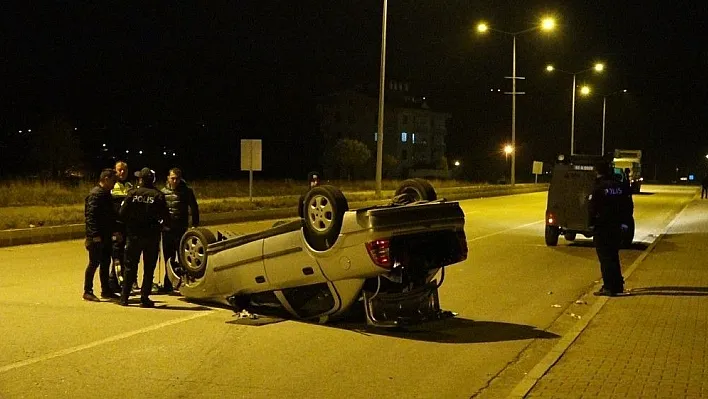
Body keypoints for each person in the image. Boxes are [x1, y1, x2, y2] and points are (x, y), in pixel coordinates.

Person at [118, 167, 170, 307]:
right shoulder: (158, 195)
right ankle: (144, 298)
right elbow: (166, 217)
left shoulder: (132, 193)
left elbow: (122, 214)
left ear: (140, 179)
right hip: (151, 237)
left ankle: (124, 298)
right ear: (152, 180)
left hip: (133, 236)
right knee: (148, 268)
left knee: (129, 267)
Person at [588, 161, 633, 297]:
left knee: (605, 258)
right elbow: (628, 205)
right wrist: (625, 224)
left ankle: (609, 287)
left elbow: (592, 208)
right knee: (614, 256)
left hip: (603, 227)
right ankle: (618, 284)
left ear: (597, 172)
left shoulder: (598, 188)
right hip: (617, 226)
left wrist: (591, 224)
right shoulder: (620, 186)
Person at [159, 167, 200, 293]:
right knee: (168, 257)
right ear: (168, 178)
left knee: (182, 258)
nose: (175, 181)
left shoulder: (186, 191)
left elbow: (194, 208)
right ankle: (168, 283)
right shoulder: (163, 192)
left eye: (177, 178)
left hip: (181, 229)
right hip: (167, 230)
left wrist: (194, 225)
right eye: (172, 178)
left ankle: (185, 283)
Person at [83, 168, 121, 301]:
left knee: (105, 263)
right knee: (94, 263)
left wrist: (115, 230)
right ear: (106, 179)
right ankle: (87, 291)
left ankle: (106, 290)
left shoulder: (106, 194)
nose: (114, 184)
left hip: (106, 235)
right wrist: (94, 235)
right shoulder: (96, 194)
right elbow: (90, 216)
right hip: (97, 237)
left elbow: (110, 216)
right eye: (113, 180)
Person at [109, 160, 133, 292]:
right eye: (119, 170)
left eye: (124, 170)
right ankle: (113, 282)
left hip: (127, 226)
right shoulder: (112, 187)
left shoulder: (129, 186)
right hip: (116, 227)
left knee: (125, 255)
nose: (122, 172)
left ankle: (121, 281)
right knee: (116, 255)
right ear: (115, 171)